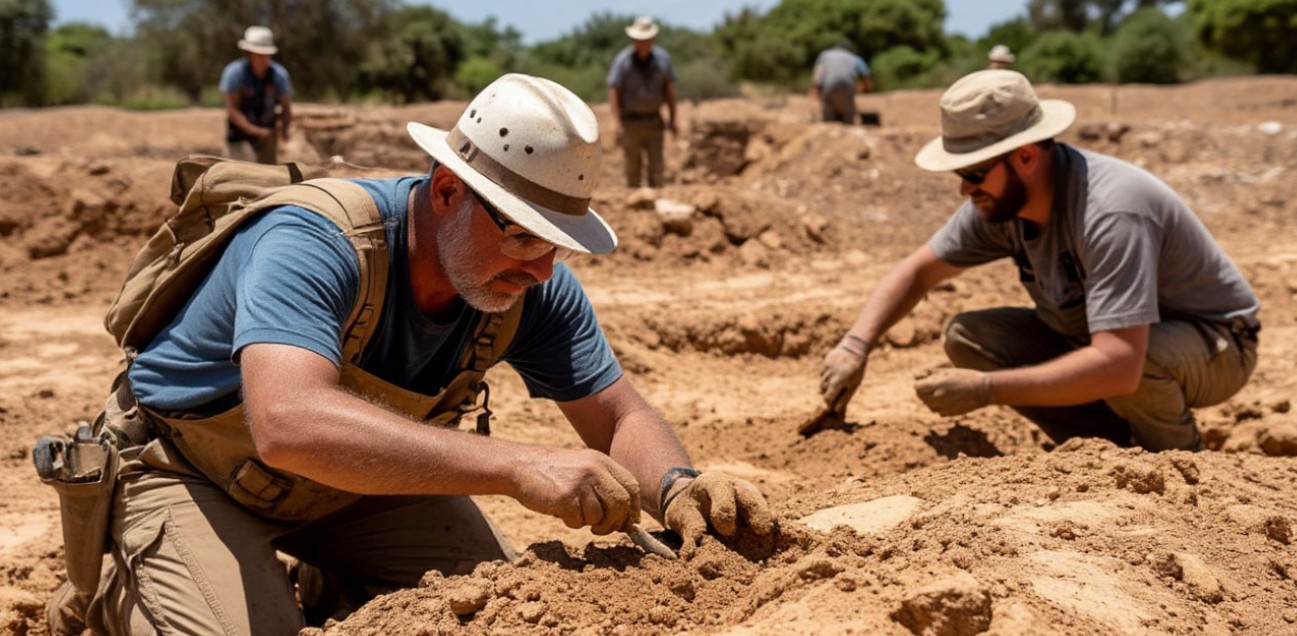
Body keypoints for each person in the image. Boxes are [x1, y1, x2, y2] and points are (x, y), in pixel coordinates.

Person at [54, 74, 773, 634]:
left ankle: (330, 580)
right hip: (188, 473)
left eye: (557, 241)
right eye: (522, 234)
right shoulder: (315, 242)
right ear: (447, 190)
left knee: (490, 602)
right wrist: (522, 466)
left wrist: (678, 486)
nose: (541, 267)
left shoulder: (529, 284)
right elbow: (288, 421)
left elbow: (617, 415)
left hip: (350, 487)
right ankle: (118, 586)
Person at [819, 70, 1259, 452]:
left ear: (1025, 156)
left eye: (973, 174)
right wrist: (855, 346)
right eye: (960, 175)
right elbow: (920, 270)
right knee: (968, 339)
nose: (965, 191)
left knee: (1139, 366)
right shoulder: (999, 204)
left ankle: (1177, 465)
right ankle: (1112, 447)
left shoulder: (1110, 210)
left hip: (1215, 343)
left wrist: (986, 390)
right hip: (1107, 341)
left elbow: (1122, 362)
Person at [606, 16, 677, 188]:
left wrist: (674, 118)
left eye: (646, 40)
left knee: (657, 168)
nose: (642, 43)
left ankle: (656, 206)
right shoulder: (623, 61)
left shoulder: (663, 60)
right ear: (634, 40)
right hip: (630, 123)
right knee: (632, 167)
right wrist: (616, 124)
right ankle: (634, 208)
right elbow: (614, 93)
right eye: (639, 40)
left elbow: (669, 92)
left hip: (654, 122)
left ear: (652, 39)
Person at [219, 25, 293, 164]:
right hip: (239, 135)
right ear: (249, 53)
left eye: (266, 54)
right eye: (258, 54)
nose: (262, 58)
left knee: (268, 175)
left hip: (268, 135)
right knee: (242, 173)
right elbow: (232, 110)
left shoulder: (279, 75)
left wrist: (285, 133)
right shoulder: (234, 73)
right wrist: (256, 131)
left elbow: (286, 107)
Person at [810, 40, 873, 124]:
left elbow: (817, 75)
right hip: (848, 87)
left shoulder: (824, 55)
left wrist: (815, 88)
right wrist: (868, 90)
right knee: (848, 118)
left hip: (828, 87)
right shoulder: (855, 57)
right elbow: (865, 76)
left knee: (828, 119)